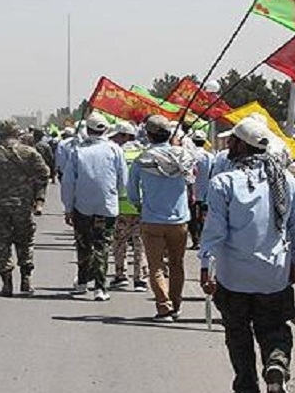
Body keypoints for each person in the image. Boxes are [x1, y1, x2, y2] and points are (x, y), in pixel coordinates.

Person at [198, 115, 295, 393]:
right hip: (274, 274)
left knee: (237, 330)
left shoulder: (223, 183)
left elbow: (214, 231)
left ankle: (245, 389)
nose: (228, 144)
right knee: (274, 328)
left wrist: (206, 267)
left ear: (241, 145)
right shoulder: (286, 181)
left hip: (234, 276)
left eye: (232, 140)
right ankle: (276, 364)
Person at [127, 114, 195, 321]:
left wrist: (139, 205)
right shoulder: (183, 156)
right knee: (177, 263)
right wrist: (177, 147)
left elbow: (132, 191)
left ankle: (163, 306)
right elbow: (191, 177)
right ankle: (177, 304)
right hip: (179, 220)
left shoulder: (143, 159)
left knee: (156, 266)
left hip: (152, 220)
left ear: (148, 134)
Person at [0, 119, 51, 297]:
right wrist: (38, 197)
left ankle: (6, 283)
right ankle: (26, 279)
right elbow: (44, 174)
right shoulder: (29, 152)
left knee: (2, 243)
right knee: (25, 240)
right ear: (16, 133)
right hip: (22, 205)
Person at [61, 112, 128, 301]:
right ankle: (100, 288)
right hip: (107, 205)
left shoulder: (77, 151)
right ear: (105, 129)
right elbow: (123, 179)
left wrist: (68, 207)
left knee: (83, 245)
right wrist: (116, 195)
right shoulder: (115, 149)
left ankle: (82, 283)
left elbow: (68, 182)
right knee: (102, 245)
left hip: (82, 206)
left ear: (87, 130)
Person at [107, 121, 149, 292]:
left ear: (125, 136)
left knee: (119, 242)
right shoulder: (145, 154)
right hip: (142, 205)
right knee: (140, 244)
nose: (114, 139)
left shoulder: (118, 153)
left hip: (121, 204)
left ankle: (120, 276)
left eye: (116, 136)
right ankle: (140, 280)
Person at [188, 129, 215, 250]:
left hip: (192, 190)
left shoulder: (189, 155)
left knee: (192, 217)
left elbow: (189, 174)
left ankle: (196, 240)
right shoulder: (210, 156)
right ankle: (203, 239)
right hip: (206, 190)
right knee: (204, 216)